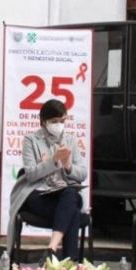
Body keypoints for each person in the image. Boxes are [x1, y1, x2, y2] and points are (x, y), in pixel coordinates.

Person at [8, 99, 87, 261]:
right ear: (44, 122)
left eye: (62, 121)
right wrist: (53, 162)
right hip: (37, 193)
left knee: (72, 195)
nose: (59, 125)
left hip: (63, 194)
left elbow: (83, 173)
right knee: (72, 212)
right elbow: (30, 174)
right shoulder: (31, 140)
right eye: (54, 121)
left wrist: (68, 167)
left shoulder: (70, 140)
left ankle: (51, 248)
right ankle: (69, 264)